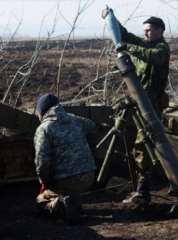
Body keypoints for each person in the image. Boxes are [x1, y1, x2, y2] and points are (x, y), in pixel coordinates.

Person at [102, 9, 170, 205]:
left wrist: (128, 49)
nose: (146, 34)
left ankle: (143, 191)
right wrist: (110, 17)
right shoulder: (145, 44)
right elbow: (125, 36)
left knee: (143, 146)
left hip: (150, 108)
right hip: (137, 103)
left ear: (160, 31)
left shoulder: (161, 49)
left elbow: (152, 57)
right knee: (133, 144)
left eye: (149, 30)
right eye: (145, 31)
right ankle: (137, 188)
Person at [34, 93, 96, 225]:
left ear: (42, 111)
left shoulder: (44, 129)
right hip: (89, 175)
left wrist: (45, 182)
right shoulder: (76, 119)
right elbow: (92, 126)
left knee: (40, 200)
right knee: (71, 191)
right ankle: (72, 201)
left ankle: (62, 206)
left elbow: (42, 163)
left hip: (66, 180)